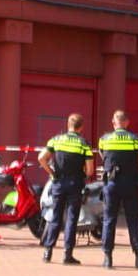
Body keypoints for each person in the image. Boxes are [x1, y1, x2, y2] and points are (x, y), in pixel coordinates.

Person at [38, 113, 94, 265]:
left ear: (68, 125)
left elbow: (41, 158)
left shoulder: (56, 140)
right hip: (75, 183)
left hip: (59, 183)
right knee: (71, 220)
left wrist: (51, 173)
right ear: (81, 127)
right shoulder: (84, 144)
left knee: (55, 218)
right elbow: (90, 171)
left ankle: (47, 253)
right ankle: (67, 255)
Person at [96, 110, 138, 270]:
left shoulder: (104, 139)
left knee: (109, 220)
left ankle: (107, 259)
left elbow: (103, 157)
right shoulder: (137, 139)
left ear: (113, 122)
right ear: (127, 122)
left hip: (111, 183)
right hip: (130, 182)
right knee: (133, 220)